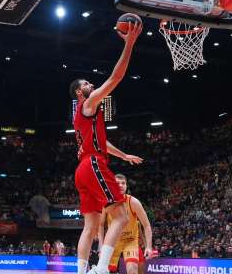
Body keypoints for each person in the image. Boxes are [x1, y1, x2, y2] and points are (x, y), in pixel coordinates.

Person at [70, 20, 143, 274]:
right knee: (121, 216)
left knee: (90, 227)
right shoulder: (88, 104)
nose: (92, 85)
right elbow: (116, 77)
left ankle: (81, 271)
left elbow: (102, 143)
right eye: (87, 84)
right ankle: (101, 269)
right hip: (92, 164)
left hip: (82, 168)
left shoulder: (81, 116)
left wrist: (123, 155)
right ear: (80, 92)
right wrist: (130, 44)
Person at [98, 174, 153, 274]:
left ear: (126, 186)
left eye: (123, 183)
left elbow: (146, 225)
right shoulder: (106, 203)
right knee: (105, 270)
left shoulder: (134, 202)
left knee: (132, 269)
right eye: (117, 183)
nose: (120, 185)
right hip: (113, 241)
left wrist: (148, 246)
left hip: (130, 240)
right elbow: (101, 225)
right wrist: (101, 246)